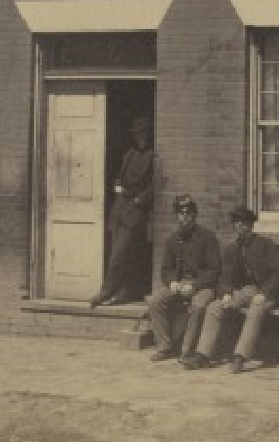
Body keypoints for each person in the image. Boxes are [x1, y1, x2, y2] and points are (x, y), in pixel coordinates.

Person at [187, 206, 279, 372]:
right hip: (243, 292)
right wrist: (226, 294)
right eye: (237, 223)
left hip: (266, 293)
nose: (241, 226)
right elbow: (225, 278)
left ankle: (240, 356)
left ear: (251, 225)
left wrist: (264, 293)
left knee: (255, 310)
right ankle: (203, 355)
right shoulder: (231, 249)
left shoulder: (265, 245)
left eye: (244, 223)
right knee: (214, 307)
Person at [91, 116, 157, 307]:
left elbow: (154, 186)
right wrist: (117, 185)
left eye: (143, 133)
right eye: (137, 134)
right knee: (117, 251)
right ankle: (122, 292)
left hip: (135, 209)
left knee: (120, 252)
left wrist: (139, 200)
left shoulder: (153, 155)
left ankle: (106, 291)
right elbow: (119, 176)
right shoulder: (129, 154)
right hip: (119, 206)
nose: (140, 137)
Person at [146, 194, 219, 362]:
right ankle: (165, 347)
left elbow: (214, 270)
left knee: (199, 306)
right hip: (179, 284)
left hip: (203, 286)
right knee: (155, 301)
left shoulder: (208, 237)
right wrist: (171, 282)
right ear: (177, 216)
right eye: (181, 213)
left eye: (189, 213)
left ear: (195, 215)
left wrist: (195, 285)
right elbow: (165, 269)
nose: (185, 217)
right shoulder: (173, 239)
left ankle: (187, 351)